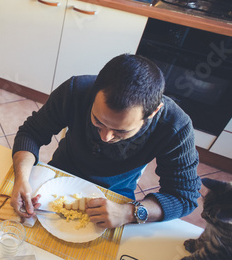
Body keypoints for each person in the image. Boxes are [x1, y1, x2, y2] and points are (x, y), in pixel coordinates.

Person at [11, 54, 201, 229]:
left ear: (153, 113)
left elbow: (184, 197)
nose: (106, 137)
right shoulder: (76, 90)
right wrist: (21, 177)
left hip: (117, 197)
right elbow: (31, 133)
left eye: (120, 131)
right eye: (98, 122)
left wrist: (130, 212)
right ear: (93, 95)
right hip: (59, 176)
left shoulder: (175, 126)